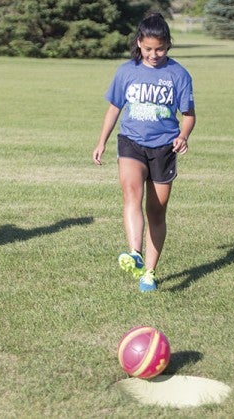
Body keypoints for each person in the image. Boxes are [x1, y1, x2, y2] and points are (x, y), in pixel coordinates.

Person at [93, 13, 196, 292]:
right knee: (131, 193)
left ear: (168, 45)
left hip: (164, 147)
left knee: (157, 213)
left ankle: (149, 273)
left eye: (159, 49)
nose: (153, 54)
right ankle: (134, 252)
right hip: (131, 142)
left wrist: (183, 136)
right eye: (148, 48)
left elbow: (188, 115)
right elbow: (114, 107)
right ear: (139, 43)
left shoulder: (179, 75)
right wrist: (102, 141)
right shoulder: (126, 71)